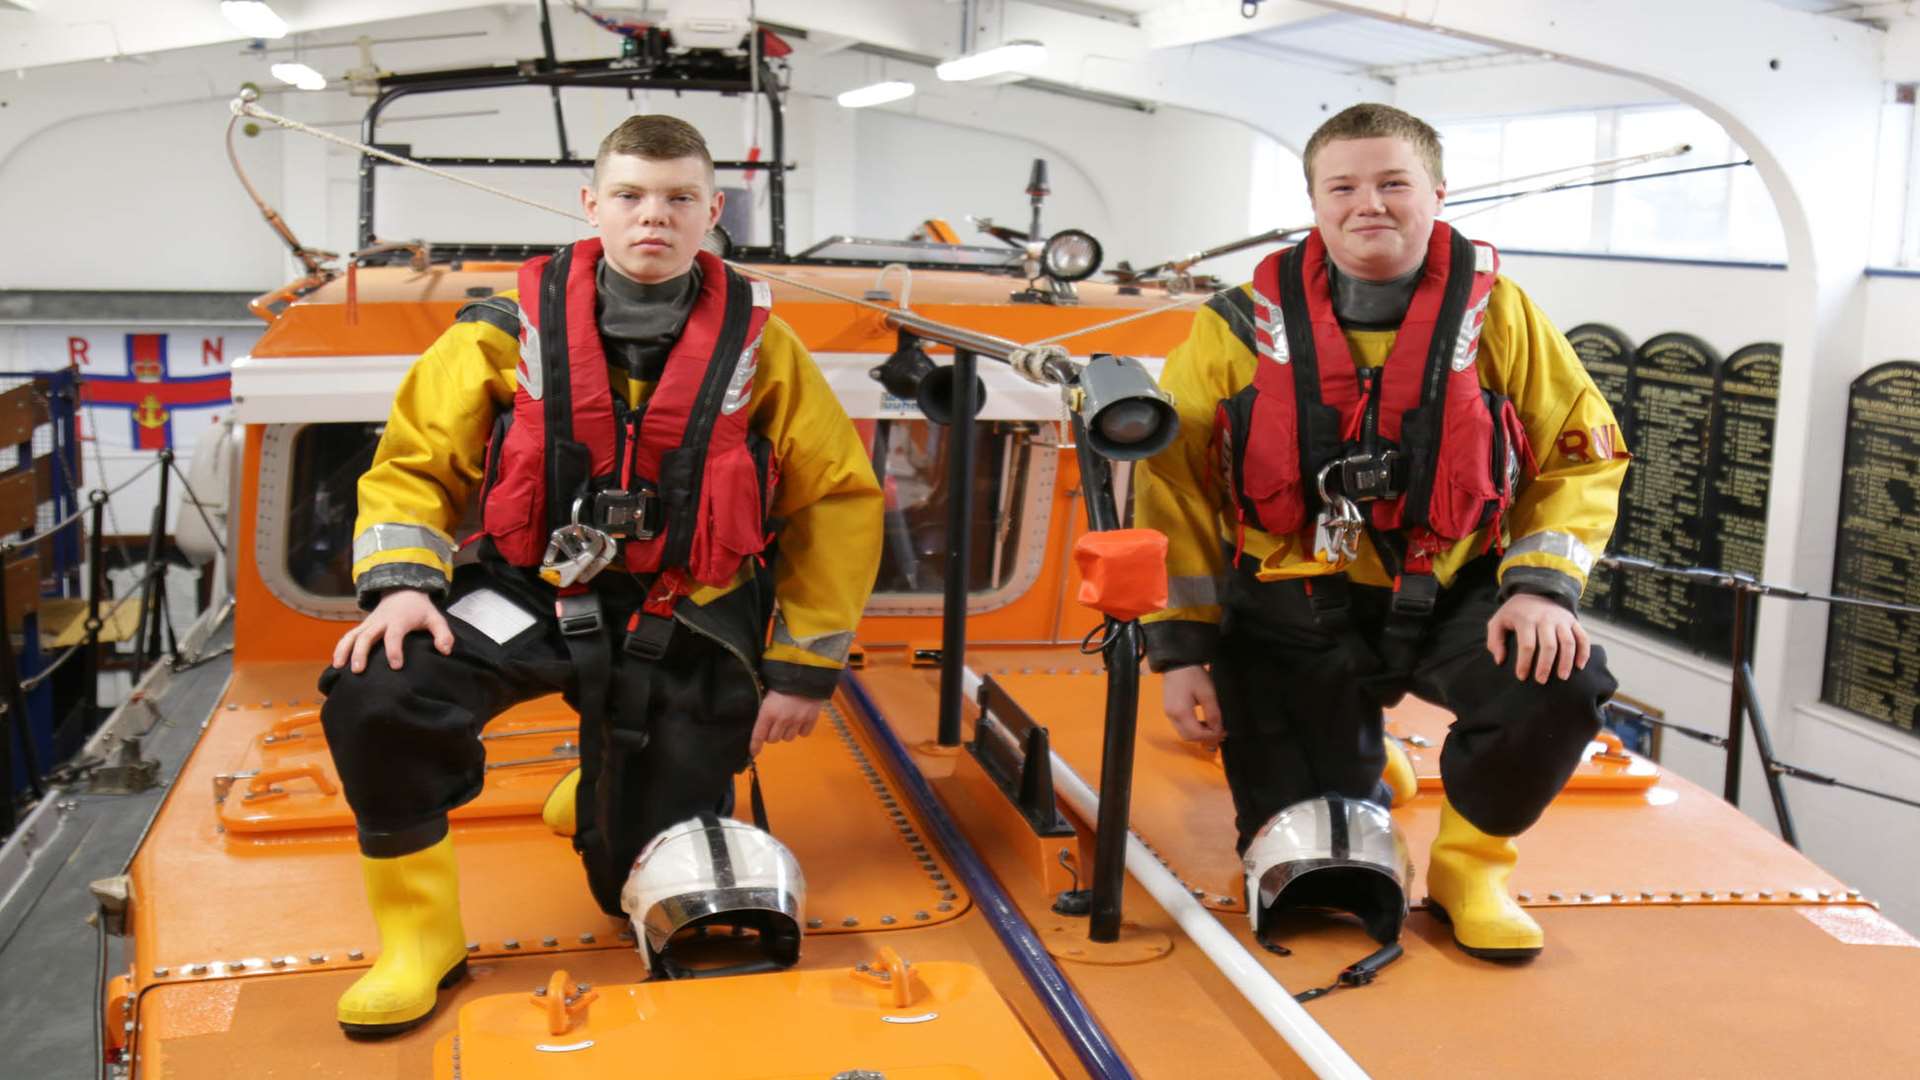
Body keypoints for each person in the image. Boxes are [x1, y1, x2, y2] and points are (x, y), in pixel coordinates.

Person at [316, 114, 882, 1036]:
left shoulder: (766, 350)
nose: (651, 216)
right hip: (532, 589)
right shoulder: (501, 332)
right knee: (380, 697)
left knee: (632, 888)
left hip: (689, 609)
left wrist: (802, 667)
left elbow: (837, 501)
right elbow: (414, 463)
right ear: (592, 205)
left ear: (711, 213)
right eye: (628, 195)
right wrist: (406, 587)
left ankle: (607, 783)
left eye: (676, 199)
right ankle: (422, 940)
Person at [1135, 103, 1626, 962]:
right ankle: (1370, 765)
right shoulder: (1229, 330)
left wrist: (1543, 588)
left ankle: (1472, 867)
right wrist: (1180, 652)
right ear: (1315, 205)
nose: (1371, 204)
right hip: (1288, 607)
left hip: (1454, 593)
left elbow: (1582, 458)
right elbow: (1171, 486)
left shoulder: (1503, 318)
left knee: (1564, 677)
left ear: (1436, 193)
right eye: (1346, 186)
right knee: (1321, 867)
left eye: (1394, 183)